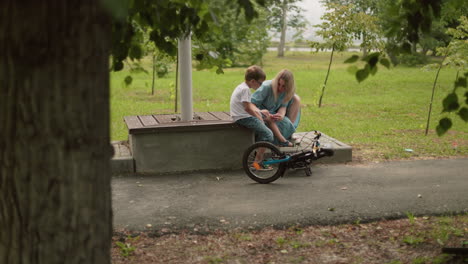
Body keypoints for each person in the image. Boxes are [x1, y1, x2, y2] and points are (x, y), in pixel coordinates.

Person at [251, 69, 301, 147]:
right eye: (279, 84)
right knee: (282, 124)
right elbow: (251, 104)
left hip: (273, 115)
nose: (280, 88)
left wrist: (281, 115)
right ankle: (281, 140)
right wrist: (260, 111)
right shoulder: (266, 86)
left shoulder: (287, 92)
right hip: (260, 114)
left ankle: (285, 137)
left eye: (284, 86)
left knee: (287, 121)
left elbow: (283, 107)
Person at [230, 65, 273, 143]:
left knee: (266, 115)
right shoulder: (245, 89)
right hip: (243, 118)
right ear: (253, 81)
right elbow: (247, 108)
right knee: (268, 135)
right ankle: (259, 155)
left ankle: (257, 144)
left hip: (241, 116)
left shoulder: (242, 86)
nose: (261, 86)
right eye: (260, 83)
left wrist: (260, 112)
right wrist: (259, 117)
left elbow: (248, 106)